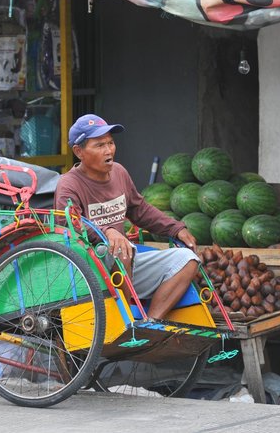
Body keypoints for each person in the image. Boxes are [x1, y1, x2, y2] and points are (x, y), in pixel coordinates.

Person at [54, 114, 199, 321]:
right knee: (121, 249)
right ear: (79, 152)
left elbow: (140, 210)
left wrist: (176, 228)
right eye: (99, 145)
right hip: (89, 266)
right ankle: (128, 317)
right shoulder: (69, 184)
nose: (109, 150)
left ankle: (151, 322)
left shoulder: (119, 172)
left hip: (125, 262)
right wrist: (106, 231)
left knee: (188, 259)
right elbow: (69, 225)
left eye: (111, 143)